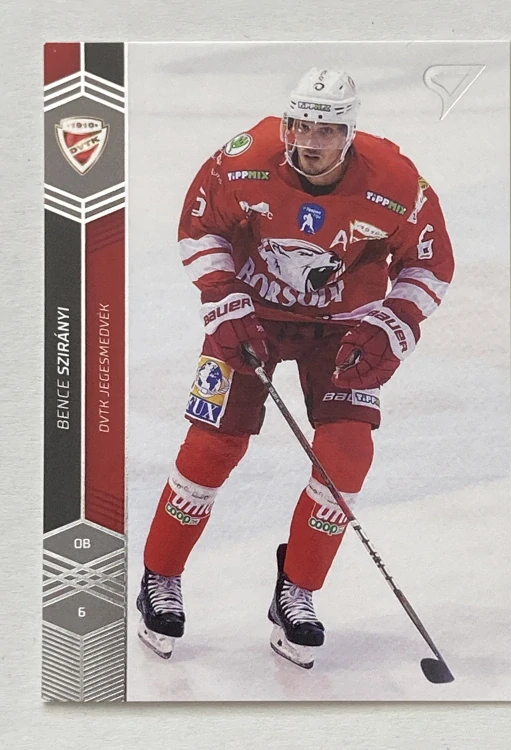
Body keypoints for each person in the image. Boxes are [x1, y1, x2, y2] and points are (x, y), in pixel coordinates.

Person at [137, 67, 455, 668]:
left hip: (343, 325)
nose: (310, 141)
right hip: (250, 314)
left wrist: (395, 322)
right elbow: (200, 228)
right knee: (212, 445)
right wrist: (222, 296)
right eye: (301, 125)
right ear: (286, 124)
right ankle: (160, 575)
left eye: (326, 130)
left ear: (350, 133)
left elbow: (429, 264)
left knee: (348, 453)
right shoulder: (242, 160)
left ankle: (298, 591)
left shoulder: (396, 181)